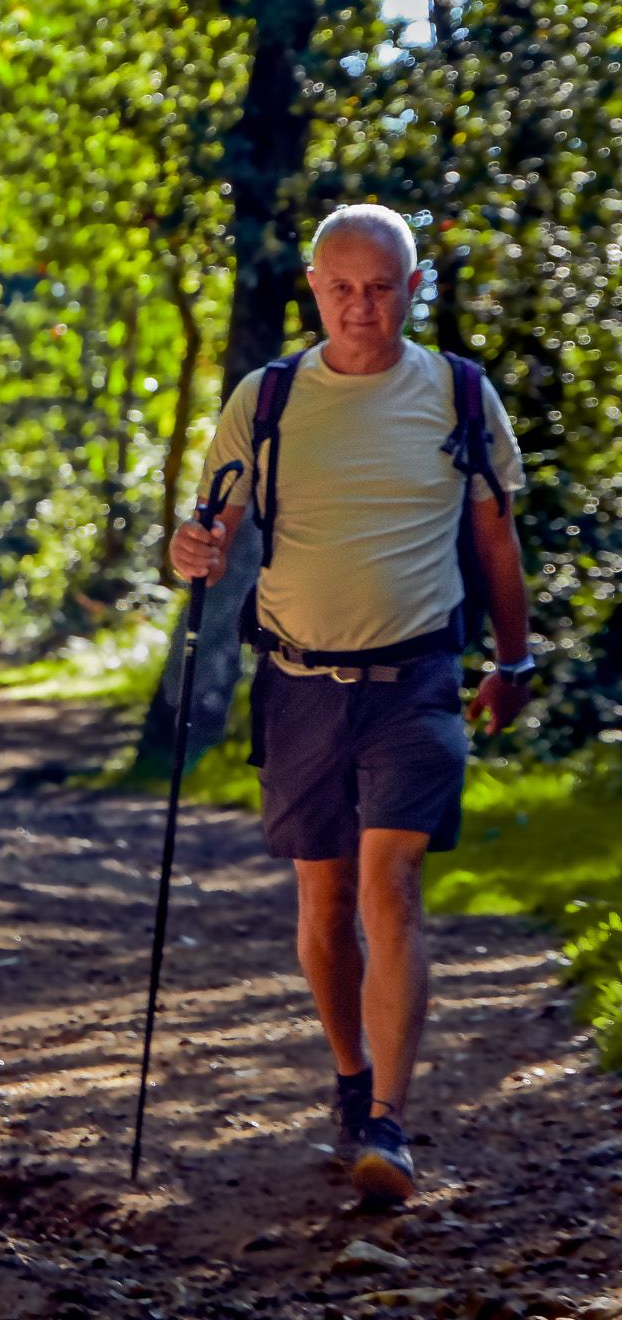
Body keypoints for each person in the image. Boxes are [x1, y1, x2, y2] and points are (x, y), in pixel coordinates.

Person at [170, 203, 533, 1203]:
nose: (360, 306)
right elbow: (208, 528)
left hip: (416, 680)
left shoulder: (460, 394)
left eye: (380, 288)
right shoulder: (268, 397)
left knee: (390, 884)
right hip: (297, 682)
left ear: (412, 288)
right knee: (325, 903)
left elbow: (496, 540)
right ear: (314, 287)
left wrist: (514, 661)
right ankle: (350, 1076)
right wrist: (192, 550)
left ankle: (389, 1125)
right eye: (341, 287)